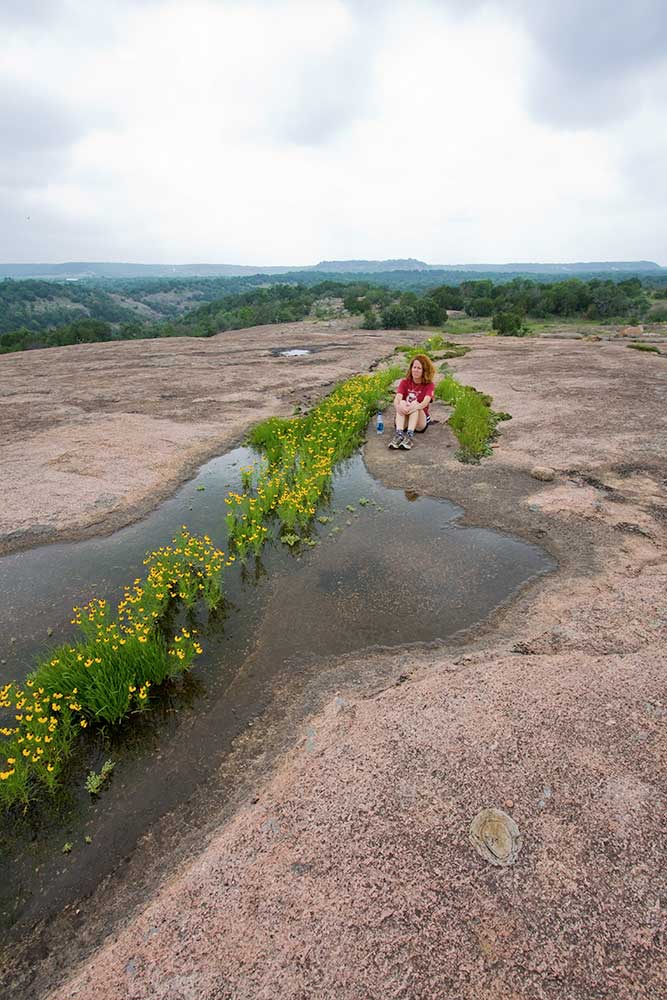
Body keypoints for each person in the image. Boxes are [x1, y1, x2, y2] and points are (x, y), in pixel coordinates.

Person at [388, 354, 436, 450]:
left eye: (419, 368)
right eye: (414, 367)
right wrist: (397, 406)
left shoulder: (429, 385)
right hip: (405, 418)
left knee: (415, 403)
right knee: (401, 402)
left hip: (419, 422)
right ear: (411, 368)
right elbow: (397, 398)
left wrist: (414, 406)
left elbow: (425, 402)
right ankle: (399, 435)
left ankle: (409, 437)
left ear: (424, 371)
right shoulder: (404, 382)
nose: (416, 370)